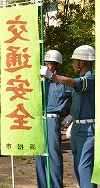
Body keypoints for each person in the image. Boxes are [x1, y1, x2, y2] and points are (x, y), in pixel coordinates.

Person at [40, 45, 96, 188]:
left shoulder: (90, 78)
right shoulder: (79, 78)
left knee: (84, 168)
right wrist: (72, 117)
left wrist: (52, 76)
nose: (72, 64)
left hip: (87, 128)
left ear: (82, 62)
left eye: (74, 61)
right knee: (78, 167)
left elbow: (73, 84)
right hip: (77, 127)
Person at [36, 50, 72, 188]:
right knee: (39, 154)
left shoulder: (62, 82)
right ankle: (43, 185)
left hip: (52, 120)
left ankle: (56, 185)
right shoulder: (39, 81)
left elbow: (78, 94)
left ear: (57, 65)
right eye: (46, 63)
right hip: (39, 119)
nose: (47, 66)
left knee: (54, 155)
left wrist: (72, 115)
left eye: (51, 64)